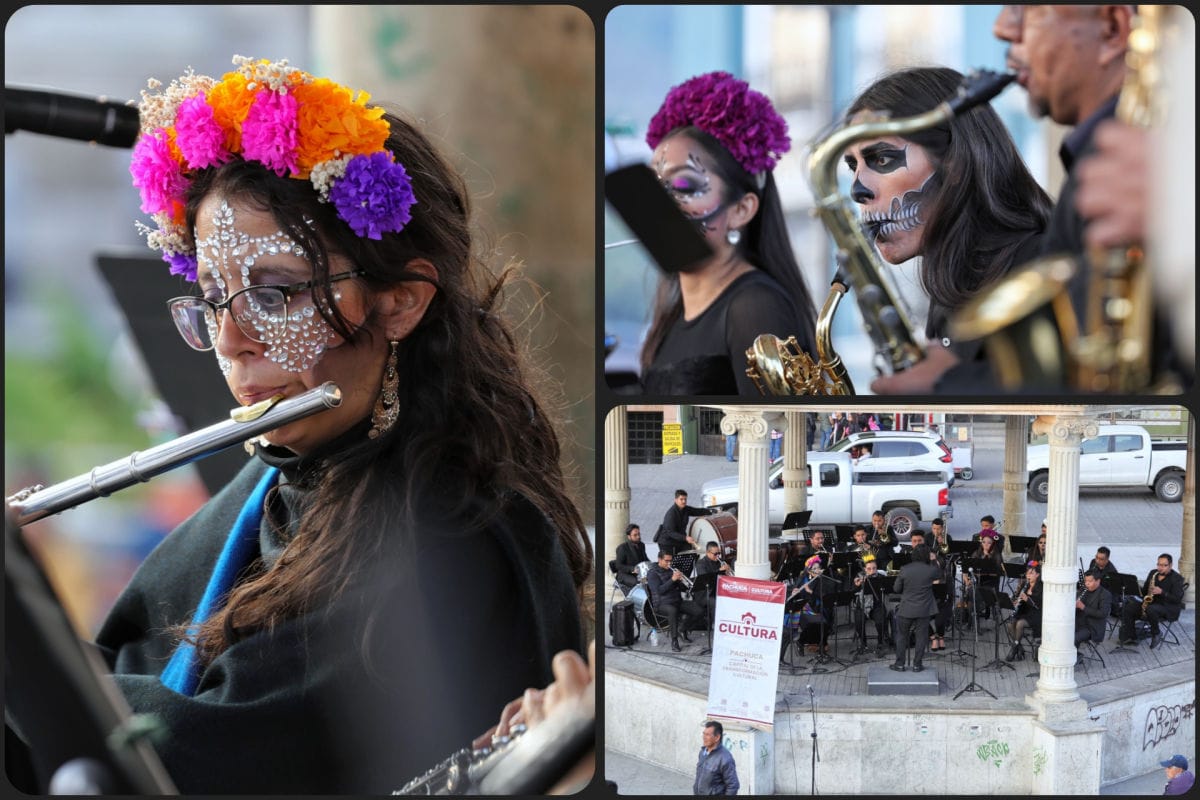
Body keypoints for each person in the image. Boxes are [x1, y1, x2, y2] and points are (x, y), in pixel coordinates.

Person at [8, 56, 592, 795]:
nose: (230, 340)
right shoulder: (280, 475)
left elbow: (206, 754)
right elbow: (124, 671)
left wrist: (30, 664)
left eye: (276, 295)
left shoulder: (455, 530)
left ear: (400, 304)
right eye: (215, 297)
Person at [990, 4, 1189, 391]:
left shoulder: (1140, 165)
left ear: (1113, 30)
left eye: (1023, 9)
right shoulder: (1099, 159)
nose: (1001, 28)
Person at [836, 66, 1051, 395]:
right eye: (853, 166)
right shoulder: (949, 281)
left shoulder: (1039, 266)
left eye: (880, 159)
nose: (857, 189)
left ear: (954, 161)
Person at [639, 71, 818, 395]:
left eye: (684, 186)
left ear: (741, 210)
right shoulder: (670, 315)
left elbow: (774, 429)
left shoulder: (755, 307)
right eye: (654, 186)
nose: (661, 204)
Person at [1118, 553, 1185, 648]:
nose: (1160, 568)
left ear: (1170, 565)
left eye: (1164, 565)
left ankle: (1156, 633)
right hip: (1152, 603)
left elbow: (1177, 599)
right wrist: (1134, 588)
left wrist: (1162, 592)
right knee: (1129, 607)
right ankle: (1131, 636)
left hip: (1168, 607)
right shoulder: (1153, 573)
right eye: (1158, 564)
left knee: (1151, 609)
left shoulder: (1177, 579)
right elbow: (1144, 591)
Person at [891, 544, 940, 672]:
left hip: (906, 608)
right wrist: (934, 560)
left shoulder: (904, 569)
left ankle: (900, 664)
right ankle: (917, 665)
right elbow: (939, 574)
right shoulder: (931, 570)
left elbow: (896, 589)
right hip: (924, 610)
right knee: (921, 637)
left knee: (902, 636)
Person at [647, 551, 704, 652]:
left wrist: (682, 581)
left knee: (699, 610)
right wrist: (672, 580)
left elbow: (680, 588)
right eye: (666, 561)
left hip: (676, 600)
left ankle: (682, 628)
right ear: (659, 559)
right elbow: (659, 591)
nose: (669, 563)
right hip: (661, 604)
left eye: (671, 561)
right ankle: (674, 641)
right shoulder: (652, 573)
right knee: (673, 611)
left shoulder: (671, 570)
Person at [782, 556, 834, 658]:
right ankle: (803, 642)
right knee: (816, 622)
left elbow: (826, 594)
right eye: (814, 569)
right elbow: (795, 594)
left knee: (824, 622)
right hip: (805, 607)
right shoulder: (803, 579)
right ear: (809, 571)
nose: (817, 570)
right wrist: (795, 592)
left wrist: (811, 591)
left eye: (818, 568)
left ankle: (819, 645)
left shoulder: (822, 578)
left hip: (819, 606)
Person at [852, 554, 892, 655]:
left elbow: (889, 590)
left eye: (874, 568)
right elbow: (851, 592)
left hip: (877, 605)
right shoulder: (859, 577)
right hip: (861, 605)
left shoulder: (880, 577)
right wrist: (857, 586)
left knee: (880, 621)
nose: (872, 571)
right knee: (858, 621)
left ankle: (880, 641)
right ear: (865, 569)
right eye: (869, 569)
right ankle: (863, 643)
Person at [1005, 562, 1044, 662]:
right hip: (1024, 611)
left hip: (1036, 614)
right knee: (1010, 623)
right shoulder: (1025, 585)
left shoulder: (1041, 587)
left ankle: (1014, 648)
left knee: (1020, 624)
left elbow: (1038, 604)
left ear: (1038, 575)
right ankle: (1019, 647)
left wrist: (1027, 599)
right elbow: (1018, 599)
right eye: (1027, 573)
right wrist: (1015, 602)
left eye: (1031, 573)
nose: (1028, 576)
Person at [657, 489, 713, 556]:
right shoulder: (671, 514)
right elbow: (670, 532)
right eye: (681, 499)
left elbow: (697, 511)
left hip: (678, 539)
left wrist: (711, 511)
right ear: (676, 500)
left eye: (685, 499)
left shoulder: (685, 509)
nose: (684, 501)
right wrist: (685, 538)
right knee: (670, 562)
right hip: (667, 542)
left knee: (689, 552)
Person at [693, 720, 739, 796]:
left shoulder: (725, 758)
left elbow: (733, 786)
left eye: (707, 735)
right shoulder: (702, 752)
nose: (704, 737)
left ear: (717, 737)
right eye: (703, 734)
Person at [1074, 570, 1112, 650]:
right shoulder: (1083, 590)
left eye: (1090, 581)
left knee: (1073, 638)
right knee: (1063, 634)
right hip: (1078, 622)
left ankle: (1073, 658)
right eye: (1086, 581)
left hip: (1092, 627)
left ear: (1098, 581)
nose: (1087, 583)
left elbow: (1102, 614)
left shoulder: (1105, 595)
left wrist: (1083, 607)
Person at [615, 524, 649, 594]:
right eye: (635, 535)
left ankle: (649, 601)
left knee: (651, 579)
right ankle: (637, 601)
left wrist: (652, 565)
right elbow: (618, 565)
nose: (638, 537)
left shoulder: (642, 545)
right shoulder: (622, 548)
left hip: (638, 574)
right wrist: (632, 569)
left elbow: (645, 559)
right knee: (640, 582)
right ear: (629, 536)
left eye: (639, 534)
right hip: (624, 575)